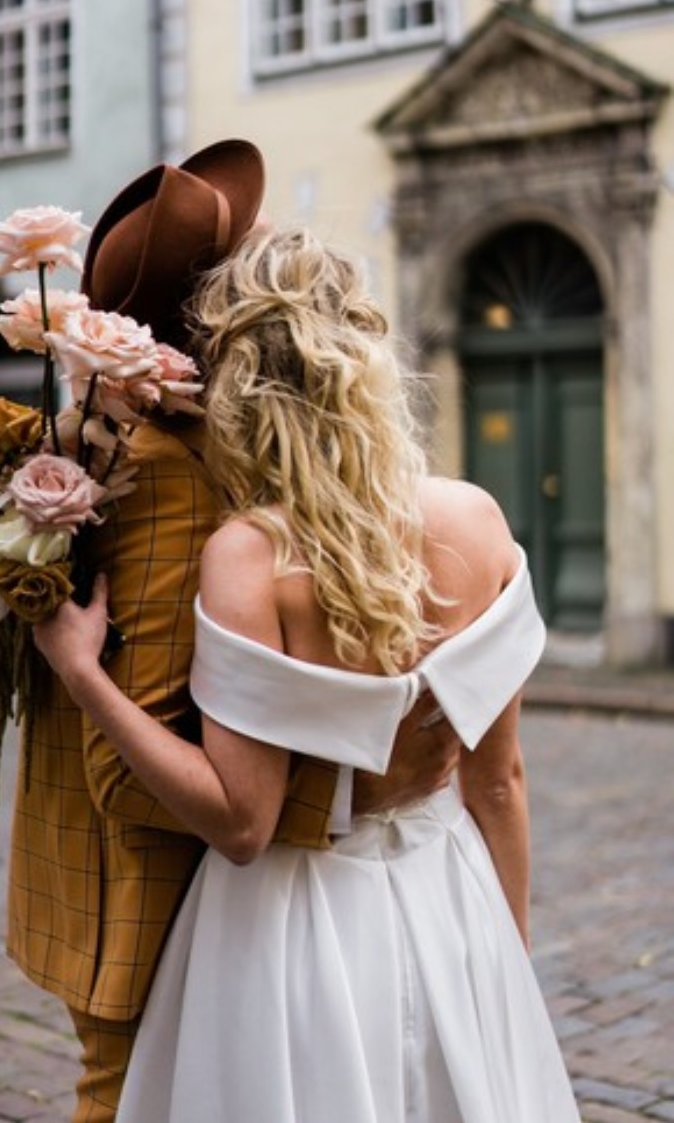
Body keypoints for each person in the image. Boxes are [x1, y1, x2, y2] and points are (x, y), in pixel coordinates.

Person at [32, 225, 582, 1122]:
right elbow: (501, 781)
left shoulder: (249, 557)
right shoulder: (476, 520)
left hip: (297, 928)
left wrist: (83, 673)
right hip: (452, 897)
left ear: (238, 390)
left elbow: (243, 823)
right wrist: (502, 963)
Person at [7, 144, 461, 1123]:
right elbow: (132, 759)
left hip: (121, 884)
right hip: (143, 896)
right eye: (238, 253)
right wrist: (347, 807)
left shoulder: (138, 438)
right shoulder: (172, 467)